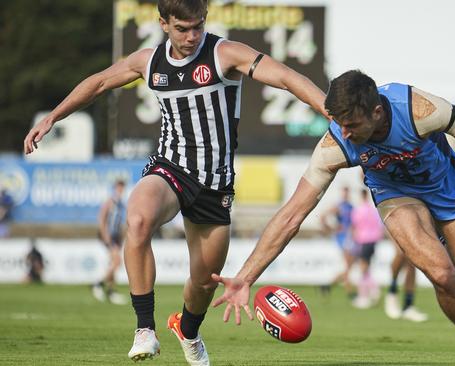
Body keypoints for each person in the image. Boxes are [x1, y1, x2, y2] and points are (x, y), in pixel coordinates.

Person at [23, 0, 327, 364]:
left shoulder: (224, 53)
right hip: (171, 168)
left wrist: (331, 112)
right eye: (182, 28)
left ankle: (188, 330)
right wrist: (54, 116)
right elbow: (100, 81)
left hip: (215, 184)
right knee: (137, 219)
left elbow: (288, 78)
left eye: (198, 26)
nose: (192, 36)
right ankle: (144, 329)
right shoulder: (148, 61)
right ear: (164, 24)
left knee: (202, 283)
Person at [210, 70, 455, 366]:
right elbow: (291, 216)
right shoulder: (337, 143)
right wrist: (246, 276)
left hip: (447, 189)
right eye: (340, 124)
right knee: (441, 274)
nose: (345, 133)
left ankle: (441, 234)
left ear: (377, 112)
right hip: (396, 196)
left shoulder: (419, 110)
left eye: (352, 125)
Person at [92, 179, 128, 305]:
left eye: (122, 188)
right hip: (108, 236)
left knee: (114, 262)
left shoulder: (121, 204)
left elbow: (121, 223)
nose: (121, 190)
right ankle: (98, 284)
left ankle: (111, 291)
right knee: (117, 262)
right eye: (119, 188)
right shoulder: (110, 202)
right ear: (115, 188)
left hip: (116, 237)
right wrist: (106, 237)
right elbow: (101, 219)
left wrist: (121, 238)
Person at [319, 186, 356, 298]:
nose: (346, 195)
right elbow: (323, 216)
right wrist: (331, 229)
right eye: (344, 193)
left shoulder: (351, 206)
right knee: (348, 266)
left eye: (347, 193)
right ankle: (350, 292)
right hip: (342, 238)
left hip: (350, 238)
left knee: (349, 266)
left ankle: (327, 286)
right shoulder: (339, 206)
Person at [349, 188, 383, 309]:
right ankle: (373, 290)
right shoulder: (373, 210)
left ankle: (364, 296)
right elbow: (380, 225)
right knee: (366, 267)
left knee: (363, 268)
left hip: (363, 240)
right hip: (373, 240)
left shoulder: (358, 210)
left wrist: (352, 241)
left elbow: (354, 226)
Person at [384, 239, 429, 322]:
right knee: (401, 253)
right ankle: (392, 291)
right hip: (394, 226)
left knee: (411, 260)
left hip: (415, 226)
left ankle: (408, 306)